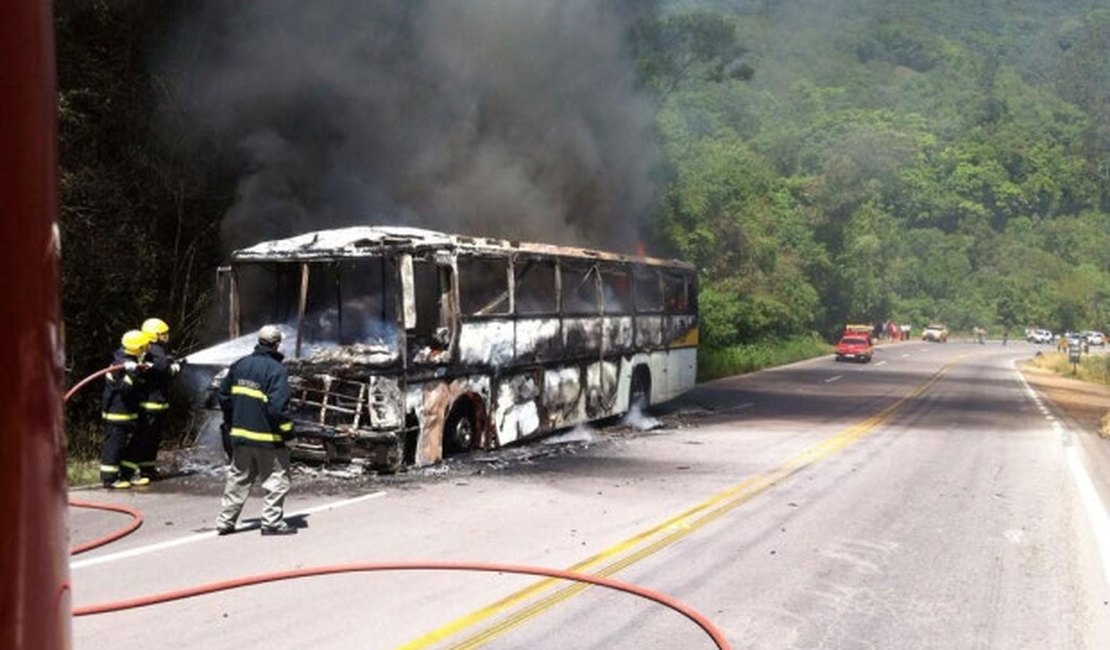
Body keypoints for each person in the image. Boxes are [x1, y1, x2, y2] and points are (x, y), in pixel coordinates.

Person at [214, 325, 296, 536]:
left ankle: (225, 522)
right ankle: (271, 523)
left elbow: (223, 396)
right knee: (276, 481)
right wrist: (288, 435)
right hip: (268, 439)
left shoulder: (240, 365)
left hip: (241, 437)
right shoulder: (276, 370)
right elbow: (278, 409)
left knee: (238, 479)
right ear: (277, 344)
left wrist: (234, 421)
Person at [124, 317, 181, 481]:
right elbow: (162, 369)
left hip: (156, 403)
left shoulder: (152, 350)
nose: (166, 337)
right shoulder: (155, 349)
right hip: (151, 404)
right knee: (143, 438)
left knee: (151, 439)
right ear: (154, 335)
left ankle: (147, 469)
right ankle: (127, 472)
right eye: (163, 334)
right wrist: (174, 368)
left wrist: (170, 361)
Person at [100, 330, 150, 489]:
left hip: (129, 412)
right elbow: (124, 389)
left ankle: (127, 474)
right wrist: (132, 373)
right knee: (114, 446)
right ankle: (109, 479)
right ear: (138, 348)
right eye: (144, 347)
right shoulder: (118, 365)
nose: (147, 349)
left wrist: (142, 369)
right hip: (117, 413)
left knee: (130, 444)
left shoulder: (130, 361)